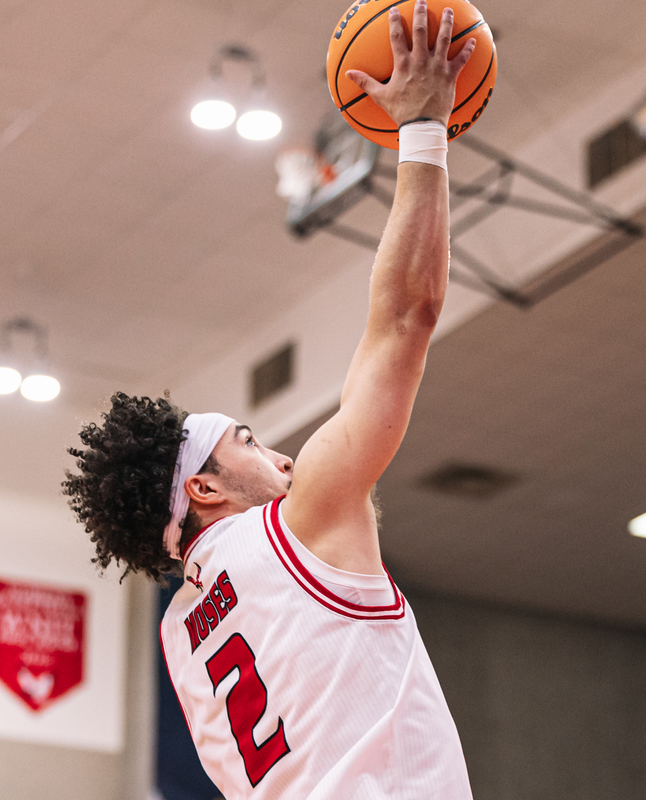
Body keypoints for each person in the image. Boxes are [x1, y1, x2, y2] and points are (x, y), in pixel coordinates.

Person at [62, 4, 476, 797]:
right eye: (246, 441)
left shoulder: (184, 644)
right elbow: (405, 320)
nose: (281, 454)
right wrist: (424, 128)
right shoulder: (303, 522)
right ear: (203, 488)